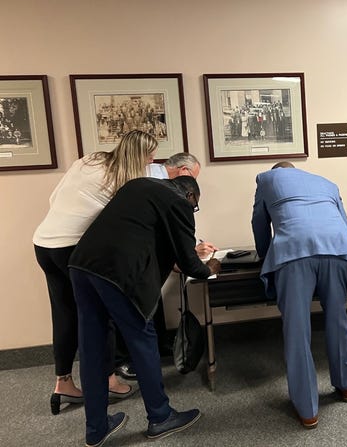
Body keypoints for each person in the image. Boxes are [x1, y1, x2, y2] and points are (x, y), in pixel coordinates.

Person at [69, 176, 221, 447]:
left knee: (93, 348)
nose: (193, 210)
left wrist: (184, 255)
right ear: (190, 196)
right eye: (195, 206)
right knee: (142, 340)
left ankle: (96, 428)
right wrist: (210, 267)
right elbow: (189, 263)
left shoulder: (138, 185)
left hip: (82, 265)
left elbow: (142, 237)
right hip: (117, 273)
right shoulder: (179, 203)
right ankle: (161, 417)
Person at [33, 130, 158, 415]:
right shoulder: (125, 182)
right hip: (73, 249)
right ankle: (109, 379)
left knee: (64, 313)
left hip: (44, 242)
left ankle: (63, 382)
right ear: (140, 155)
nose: (153, 159)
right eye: (150, 155)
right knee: (100, 316)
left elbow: (55, 197)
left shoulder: (89, 161)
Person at [251, 162, 347, 429]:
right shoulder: (326, 182)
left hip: (294, 252)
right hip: (338, 248)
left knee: (297, 330)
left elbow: (259, 223)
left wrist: (265, 256)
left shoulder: (266, 179)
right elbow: (344, 223)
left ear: (277, 171)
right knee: (337, 318)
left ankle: (308, 408)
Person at [114, 151, 217, 380]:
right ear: (184, 172)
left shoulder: (149, 181)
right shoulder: (165, 189)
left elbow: (163, 235)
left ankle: (155, 349)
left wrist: (185, 254)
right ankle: (128, 362)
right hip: (124, 259)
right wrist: (205, 267)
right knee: (133, 308)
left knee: (149, 302)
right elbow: (167, 235)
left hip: (112, 254)